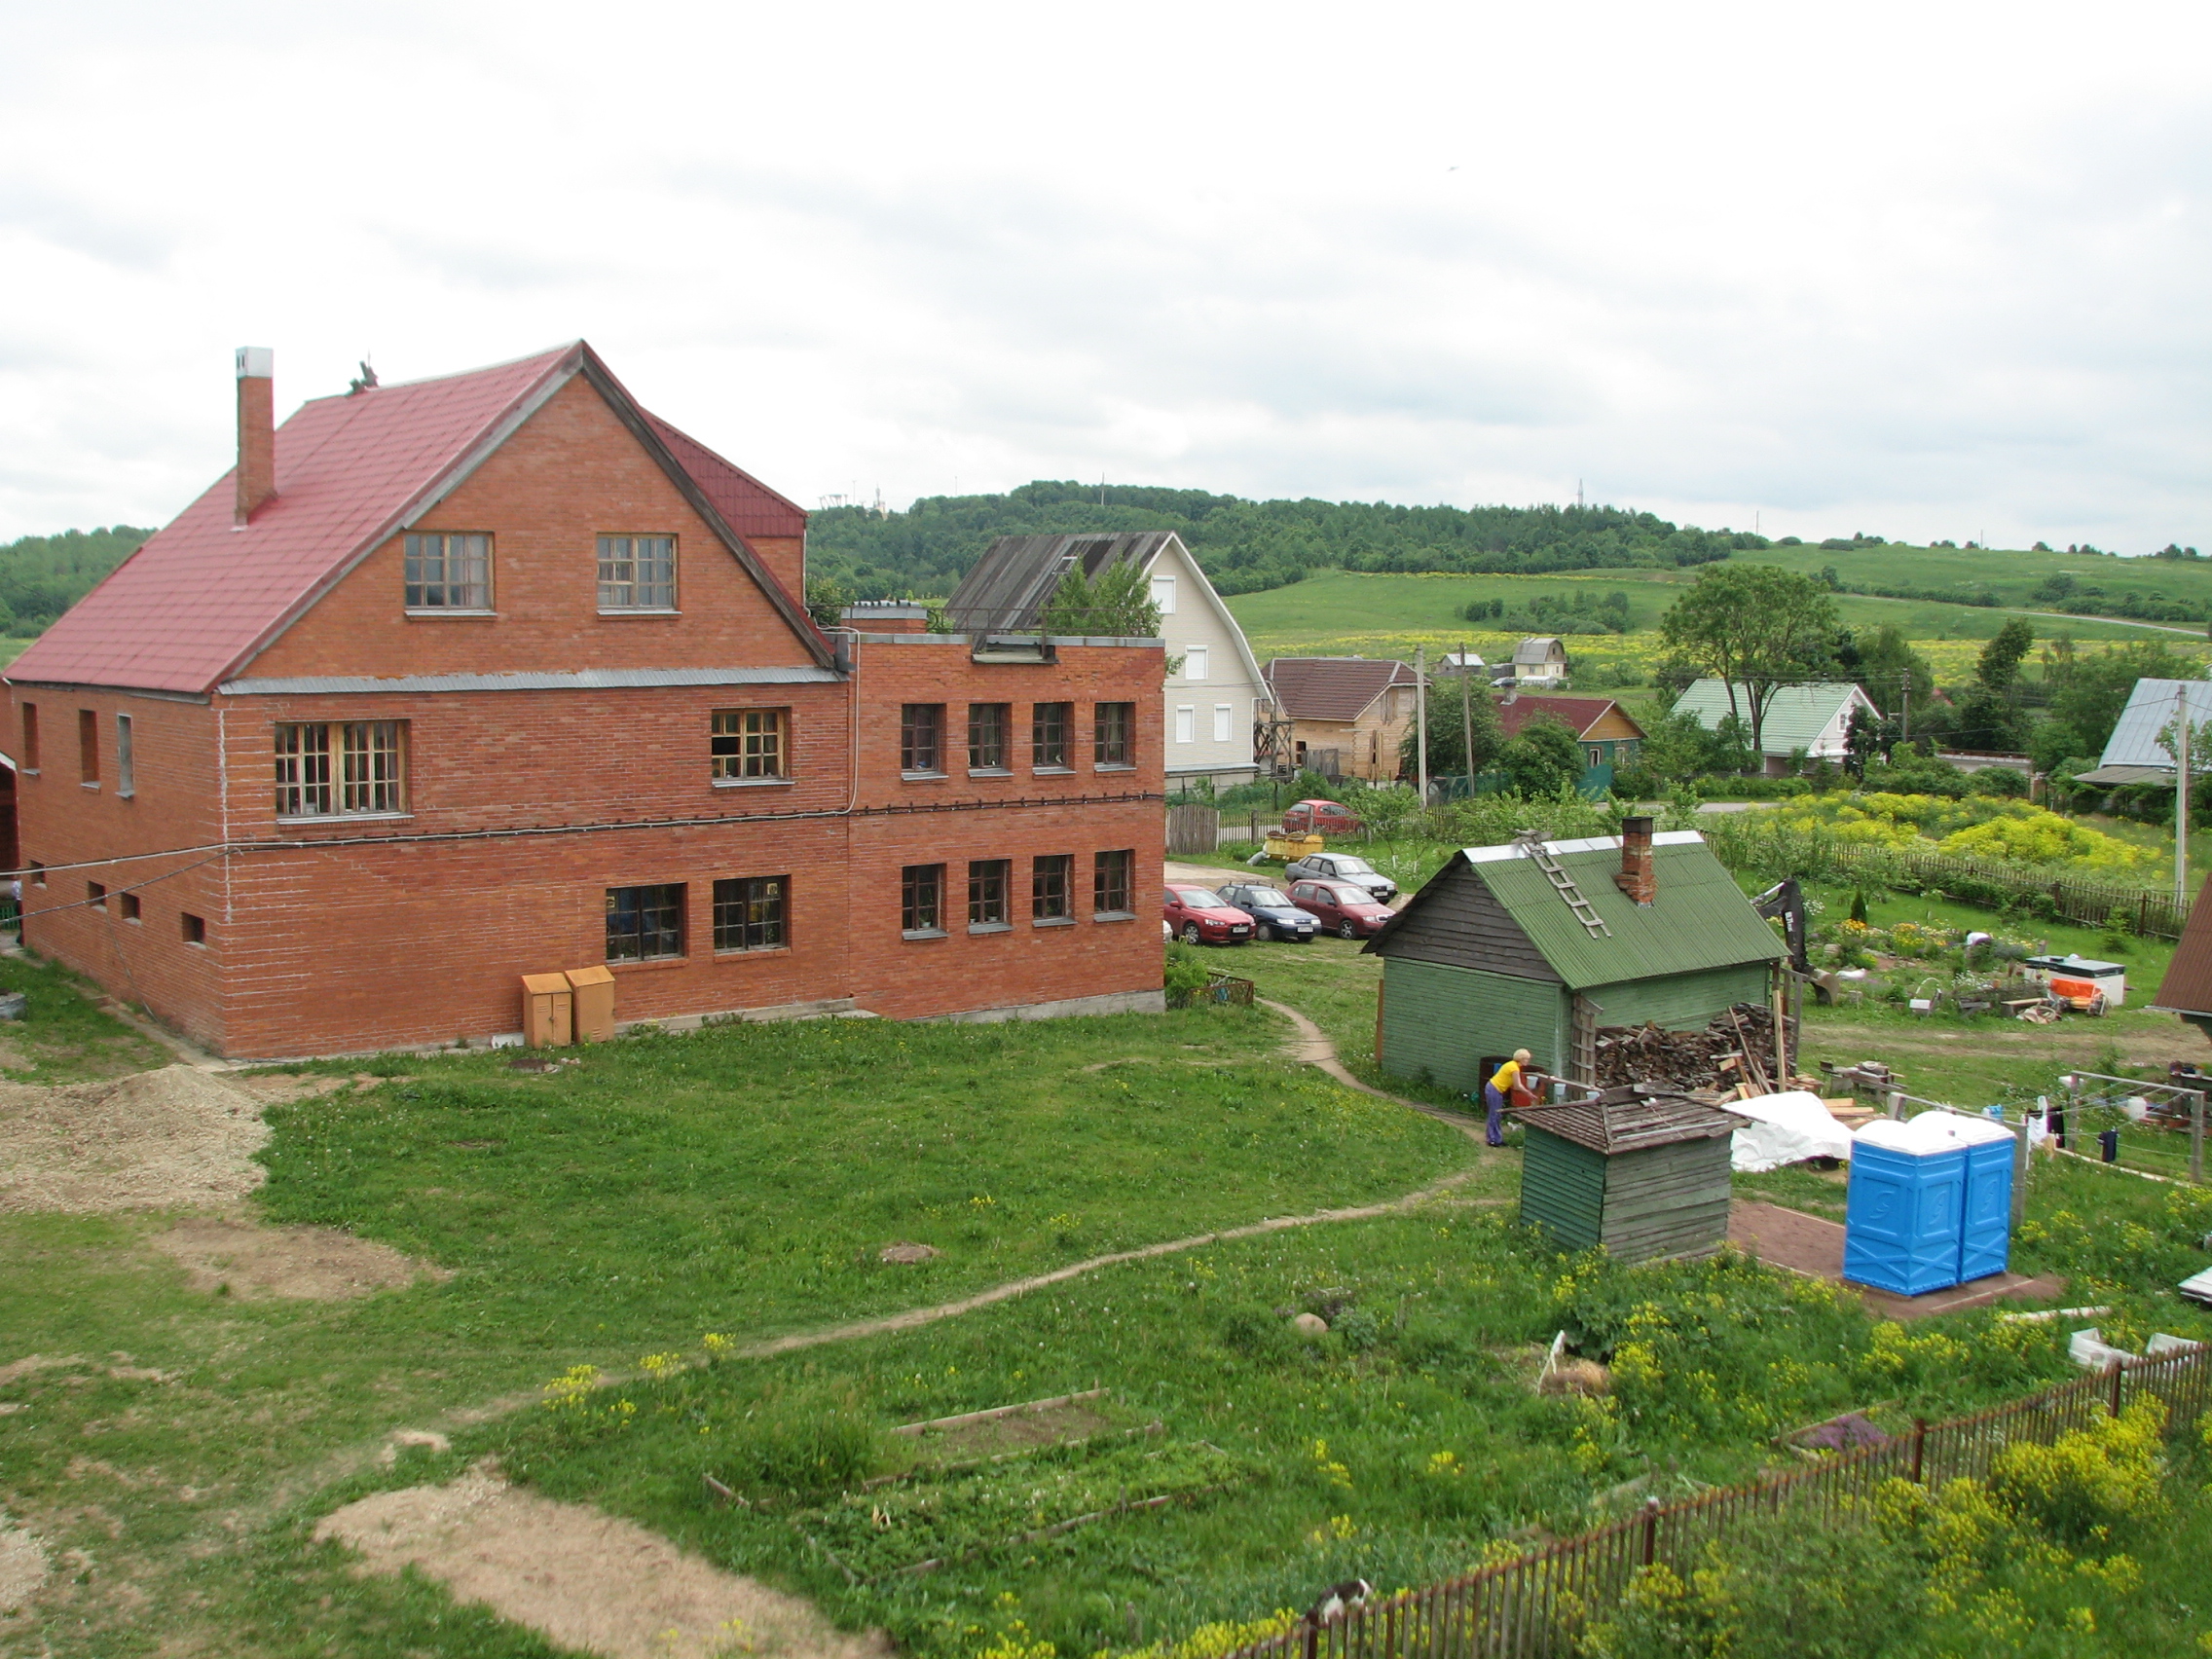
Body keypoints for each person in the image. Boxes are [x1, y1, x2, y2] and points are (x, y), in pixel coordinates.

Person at [1483, 1050, 1531, 1147]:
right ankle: (1491, 1139)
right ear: (1521, 1059)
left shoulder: (1512, 1065)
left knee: (1498, 1115)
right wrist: (1528, 1093)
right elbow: (1517, 1085)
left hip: (1496, 1090)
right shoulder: (1514, 1068)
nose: (1528, 1061)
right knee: (1494, 1114)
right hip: (1494, 1089)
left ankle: (1498, 1138)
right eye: (1526, 1059)